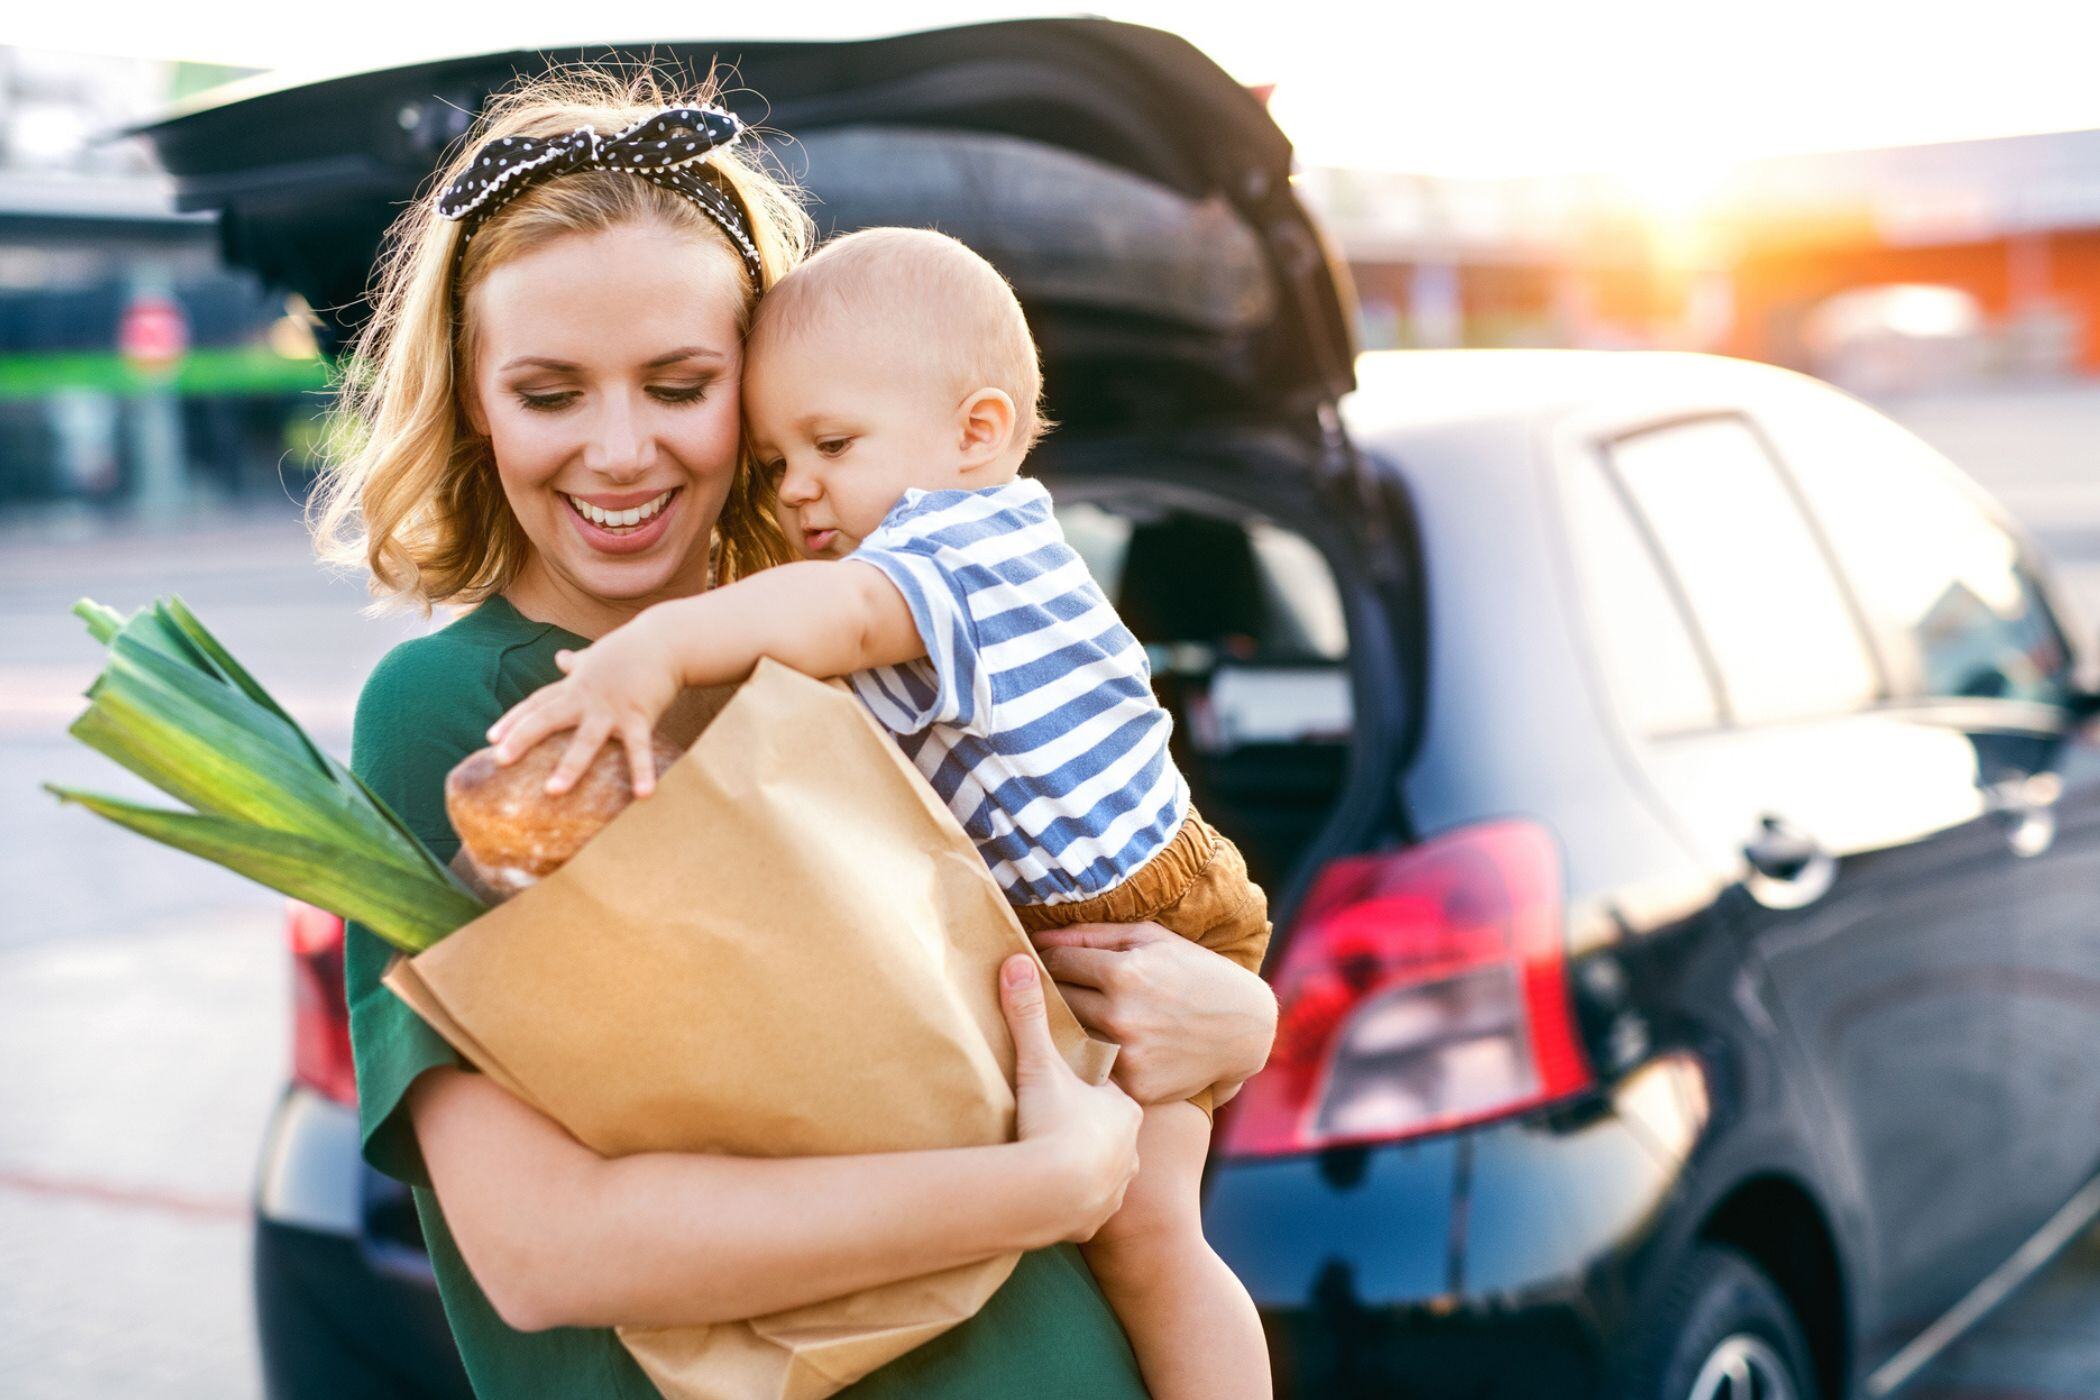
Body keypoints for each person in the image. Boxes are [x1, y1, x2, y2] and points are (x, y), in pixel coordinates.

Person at [320, 69, 1279, 1399]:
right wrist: (1040, 1184)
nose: (618, 451)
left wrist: (1237, 1017)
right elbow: (542, 1250)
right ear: (474, 408)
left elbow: (1038, 969)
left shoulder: (846, 655)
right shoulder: (464, 712)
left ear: (761, 392)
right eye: (550, 394)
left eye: (678, 383)